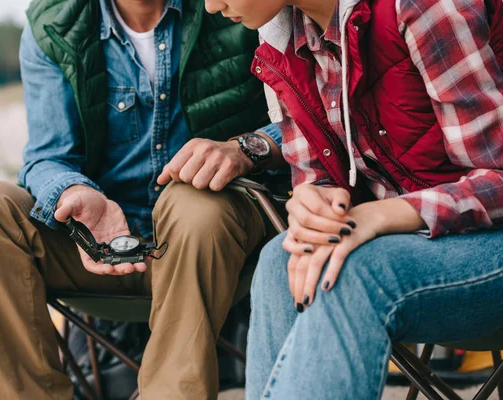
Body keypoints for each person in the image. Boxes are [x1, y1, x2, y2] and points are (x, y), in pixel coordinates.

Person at [0, 0, 286, 398]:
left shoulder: (236, 4)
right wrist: (72, 190)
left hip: (214, 241)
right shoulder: (52, 25)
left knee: (196, 203)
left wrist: (246, 148)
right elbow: (46, 157)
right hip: (97, 250)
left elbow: (308, 118)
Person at [204, 0, 503, 397]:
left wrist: (385, 215)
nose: (210, 6)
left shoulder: (424, 6)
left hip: (486, 240)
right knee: (283, 259)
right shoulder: (282, 35)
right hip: (414, 245)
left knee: (352, 271)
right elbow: (317, 178)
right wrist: (315, 208)